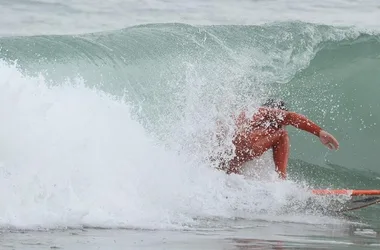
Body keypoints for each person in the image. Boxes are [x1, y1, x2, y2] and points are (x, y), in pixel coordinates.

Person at [225, 99, 339, 179]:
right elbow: (290, 117)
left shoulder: (251, 118)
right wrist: (319, 132)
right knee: (282, 134)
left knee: (233, 168)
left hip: (220, 155)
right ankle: (281, 181)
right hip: (238, 142)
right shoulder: (265, 112)